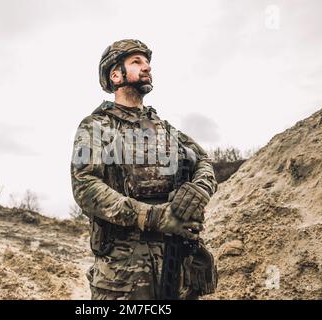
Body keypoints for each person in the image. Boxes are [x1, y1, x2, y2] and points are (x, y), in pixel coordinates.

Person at [70, 39, 218, 300]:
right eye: (136, 62)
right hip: (124, 274)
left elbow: (204, 162)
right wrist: (155, 217)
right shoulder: (96, 127)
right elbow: (85, 187)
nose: (147, 67)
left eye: (147, 62)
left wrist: (199, 189)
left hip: (177, 264)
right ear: (115, 74)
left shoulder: (165, 128)